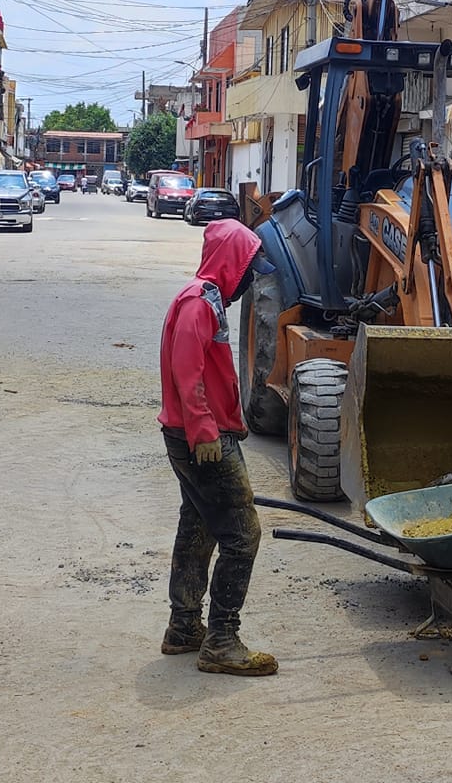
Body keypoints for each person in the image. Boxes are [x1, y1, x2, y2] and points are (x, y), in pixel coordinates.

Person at [158, 217, 277, 676]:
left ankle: (184, 627)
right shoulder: (198, 305)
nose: (251, 280)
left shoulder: (206, 301)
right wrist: (205, 430)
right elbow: (186, 372)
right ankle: (222, 639)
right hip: (203, 439)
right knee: (242, 534)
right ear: (235, 264)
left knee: (198, 526)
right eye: (250, 269)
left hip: (195, 433)